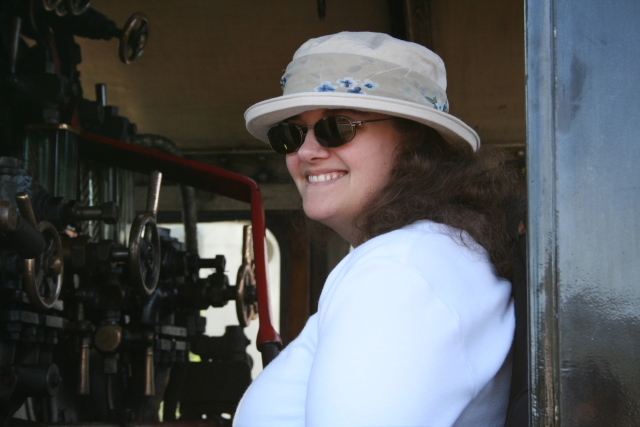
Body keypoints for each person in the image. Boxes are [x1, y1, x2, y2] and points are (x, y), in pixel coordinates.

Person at [234, 31, 517, 427]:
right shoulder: (425, 256)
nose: (306, 152)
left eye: (336, 127)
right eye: (290, 135)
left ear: (413, 142)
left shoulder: (399, 268)